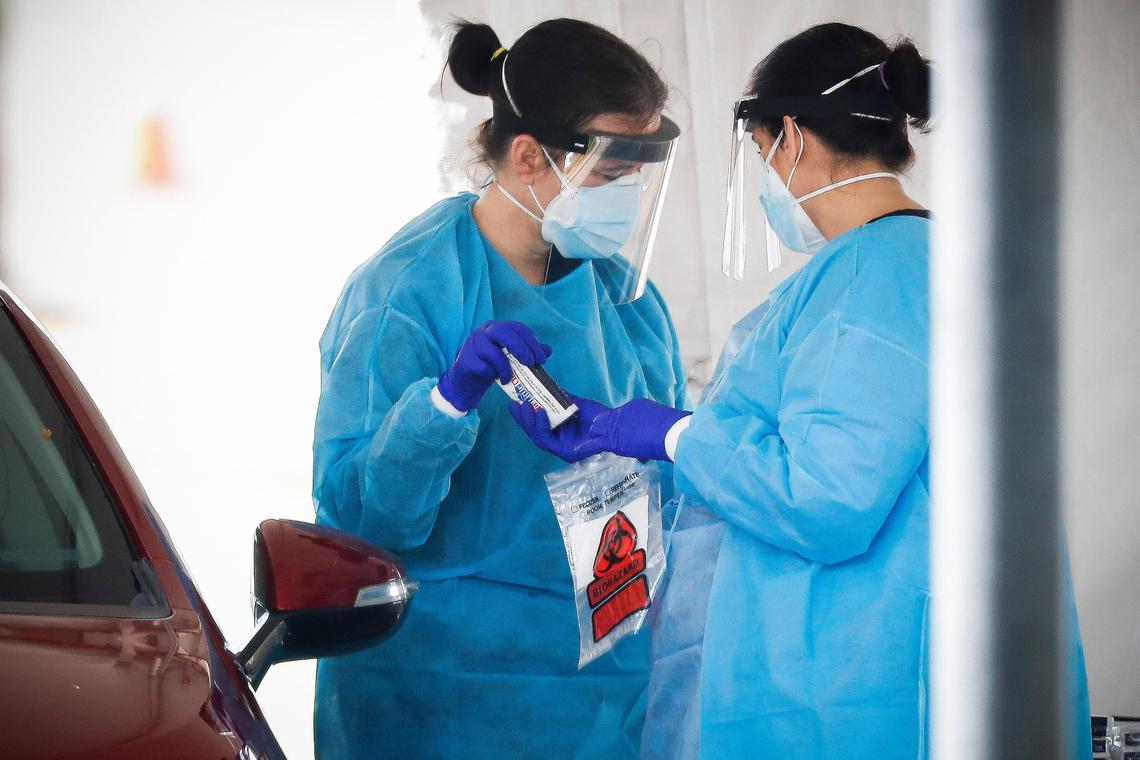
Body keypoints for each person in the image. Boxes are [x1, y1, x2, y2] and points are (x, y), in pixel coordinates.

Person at [511, 22, 1092, 759]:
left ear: (789, 136)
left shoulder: (873, 278)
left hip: (867, 689)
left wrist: (673, 433)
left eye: (760, 151)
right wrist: (655, 439)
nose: (767, 175)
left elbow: (826, 498)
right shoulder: (925, 261)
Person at [310, 17, 690, 759]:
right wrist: (442, 406)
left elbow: (666, 504)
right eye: (611, 174)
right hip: (442, 689)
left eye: (638, 174)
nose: (628, 196)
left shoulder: (627, 301)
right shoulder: (409, 290)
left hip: (603, 691)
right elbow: (358, 523)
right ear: (528, 156)